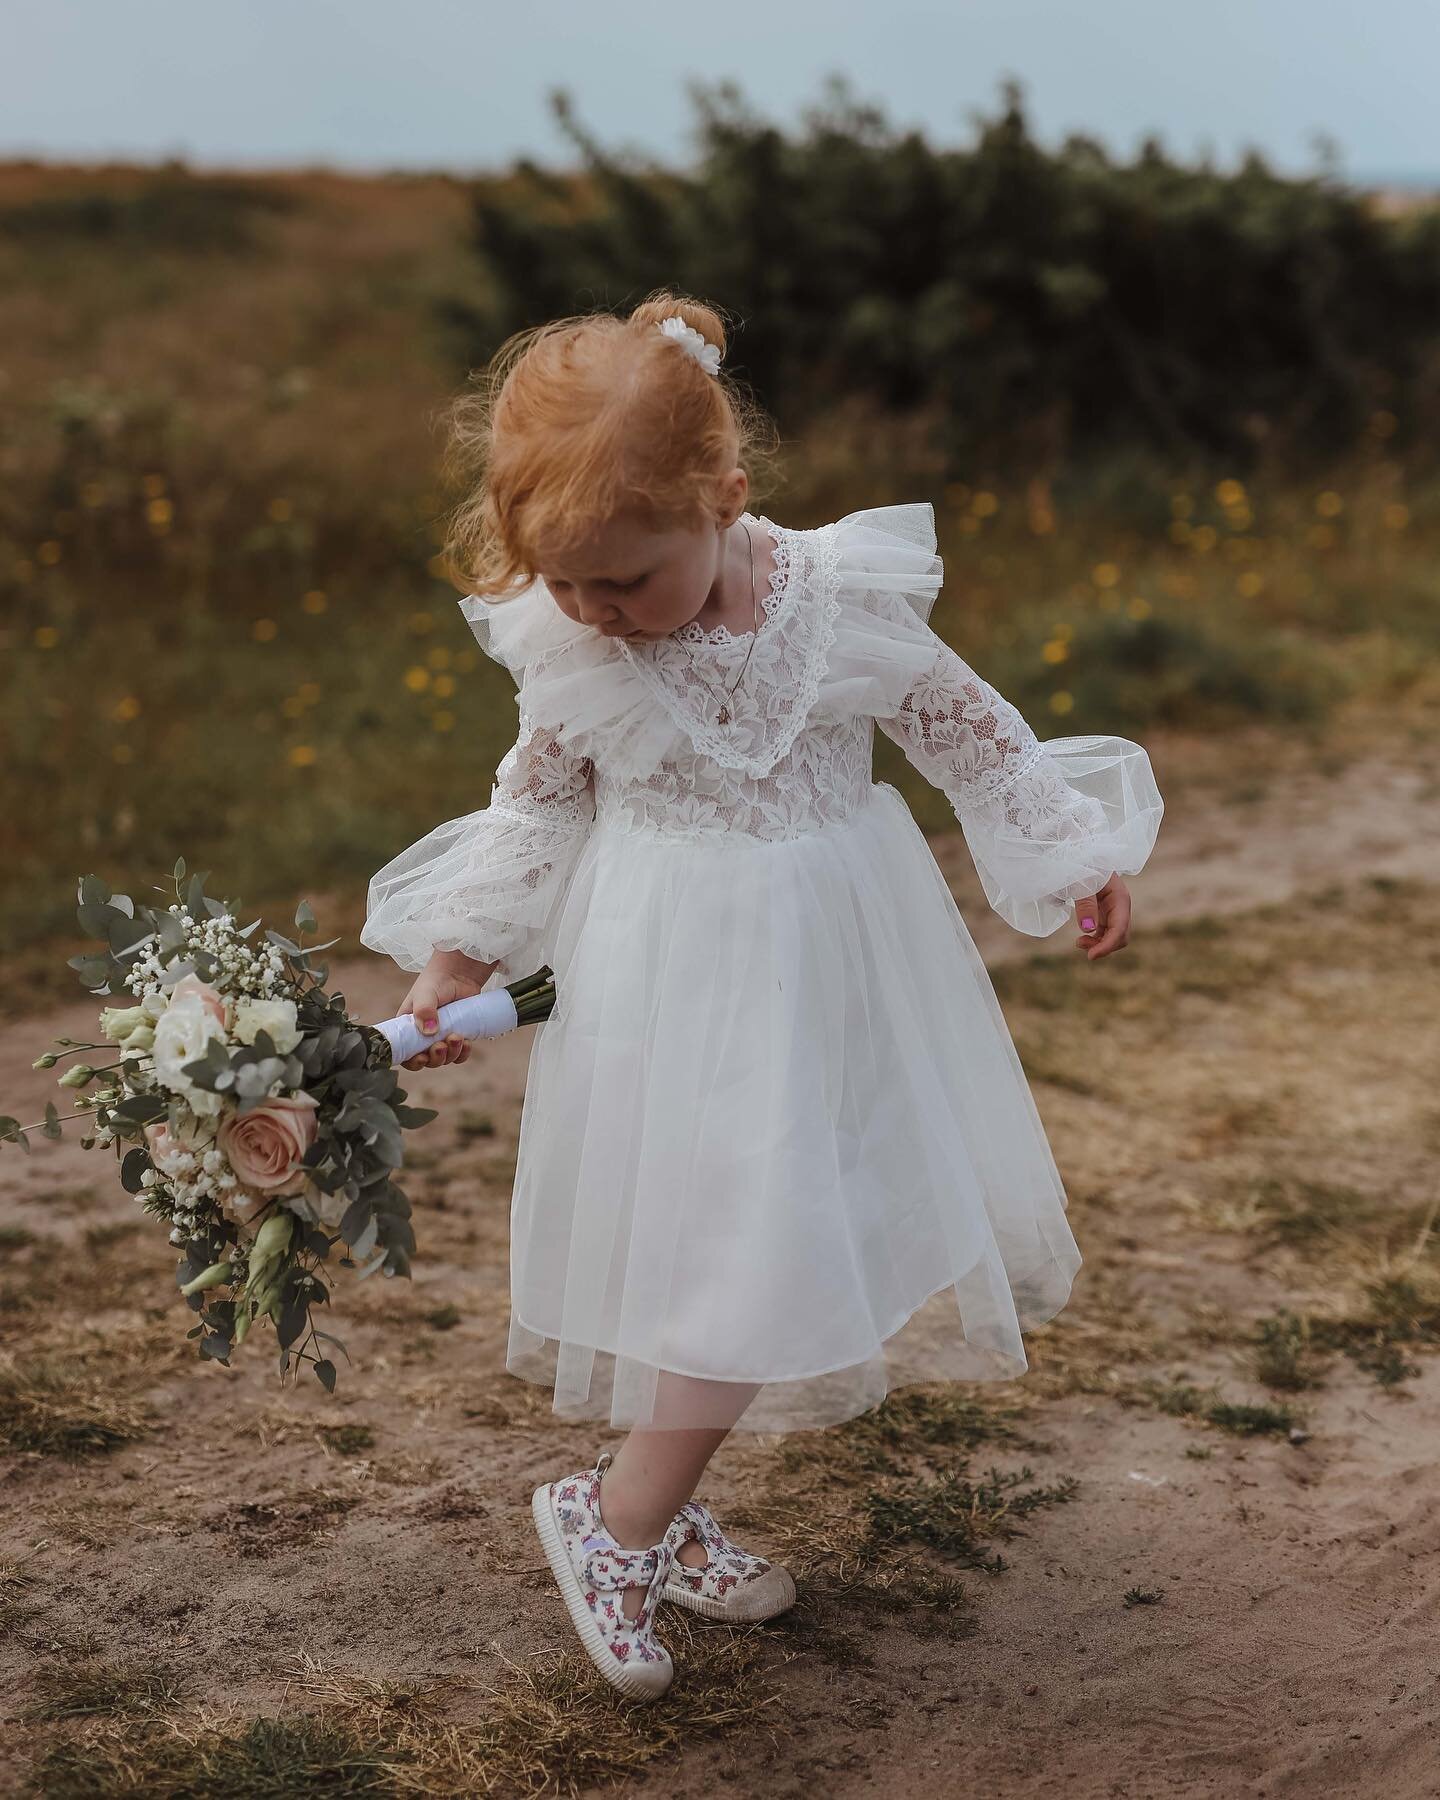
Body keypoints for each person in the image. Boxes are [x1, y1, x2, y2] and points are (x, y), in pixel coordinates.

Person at [360, 290, 1164, 1700]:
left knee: (795, 1221)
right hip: (674, 970)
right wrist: (454, 965)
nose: (600, 613)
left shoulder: (841, 599)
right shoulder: (579, 659)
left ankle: (649, 1504)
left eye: (628, 581)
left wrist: (1069, 847)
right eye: (569, 585)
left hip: (835, 957)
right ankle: (616, 1525)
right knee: (740, 1240)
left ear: (725, 500)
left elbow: (963, 726)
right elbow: (533, 812)